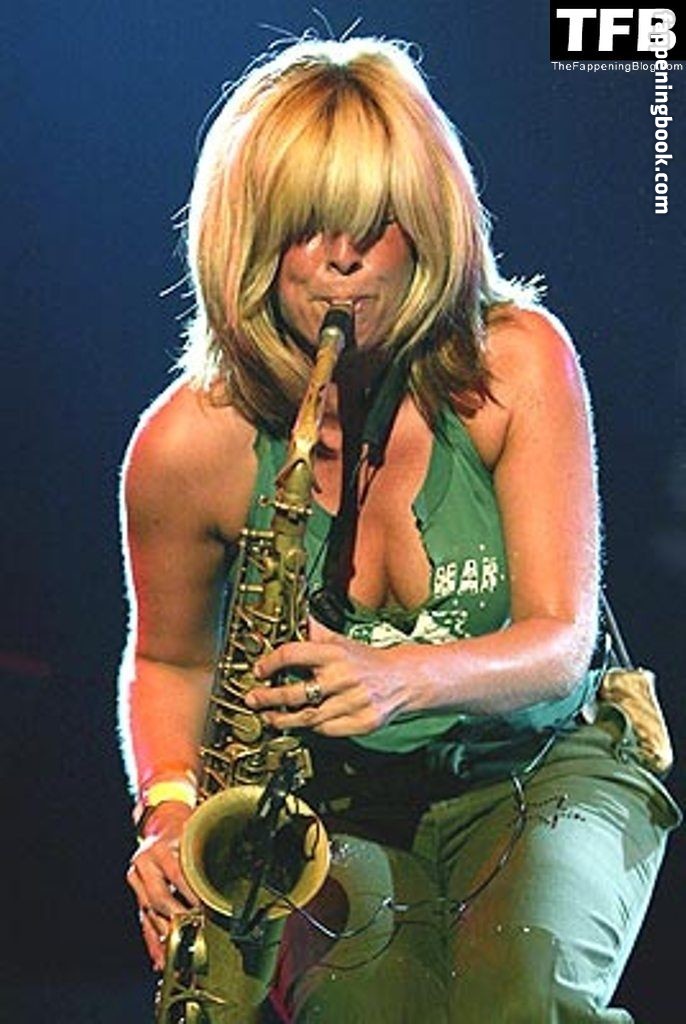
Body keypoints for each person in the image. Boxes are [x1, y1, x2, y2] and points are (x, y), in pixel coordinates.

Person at [119, 36, 680, 1023]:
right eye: (305, 228)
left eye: (372, 223)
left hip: (538, 767)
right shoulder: (183, 446)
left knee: (522, 999)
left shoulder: (514, 363)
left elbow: (559, 640)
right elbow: (170, 662)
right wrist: (168, 809)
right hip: (337, 803)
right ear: (249, 241)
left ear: (424, 222)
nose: (341, 258)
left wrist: (396, 677)